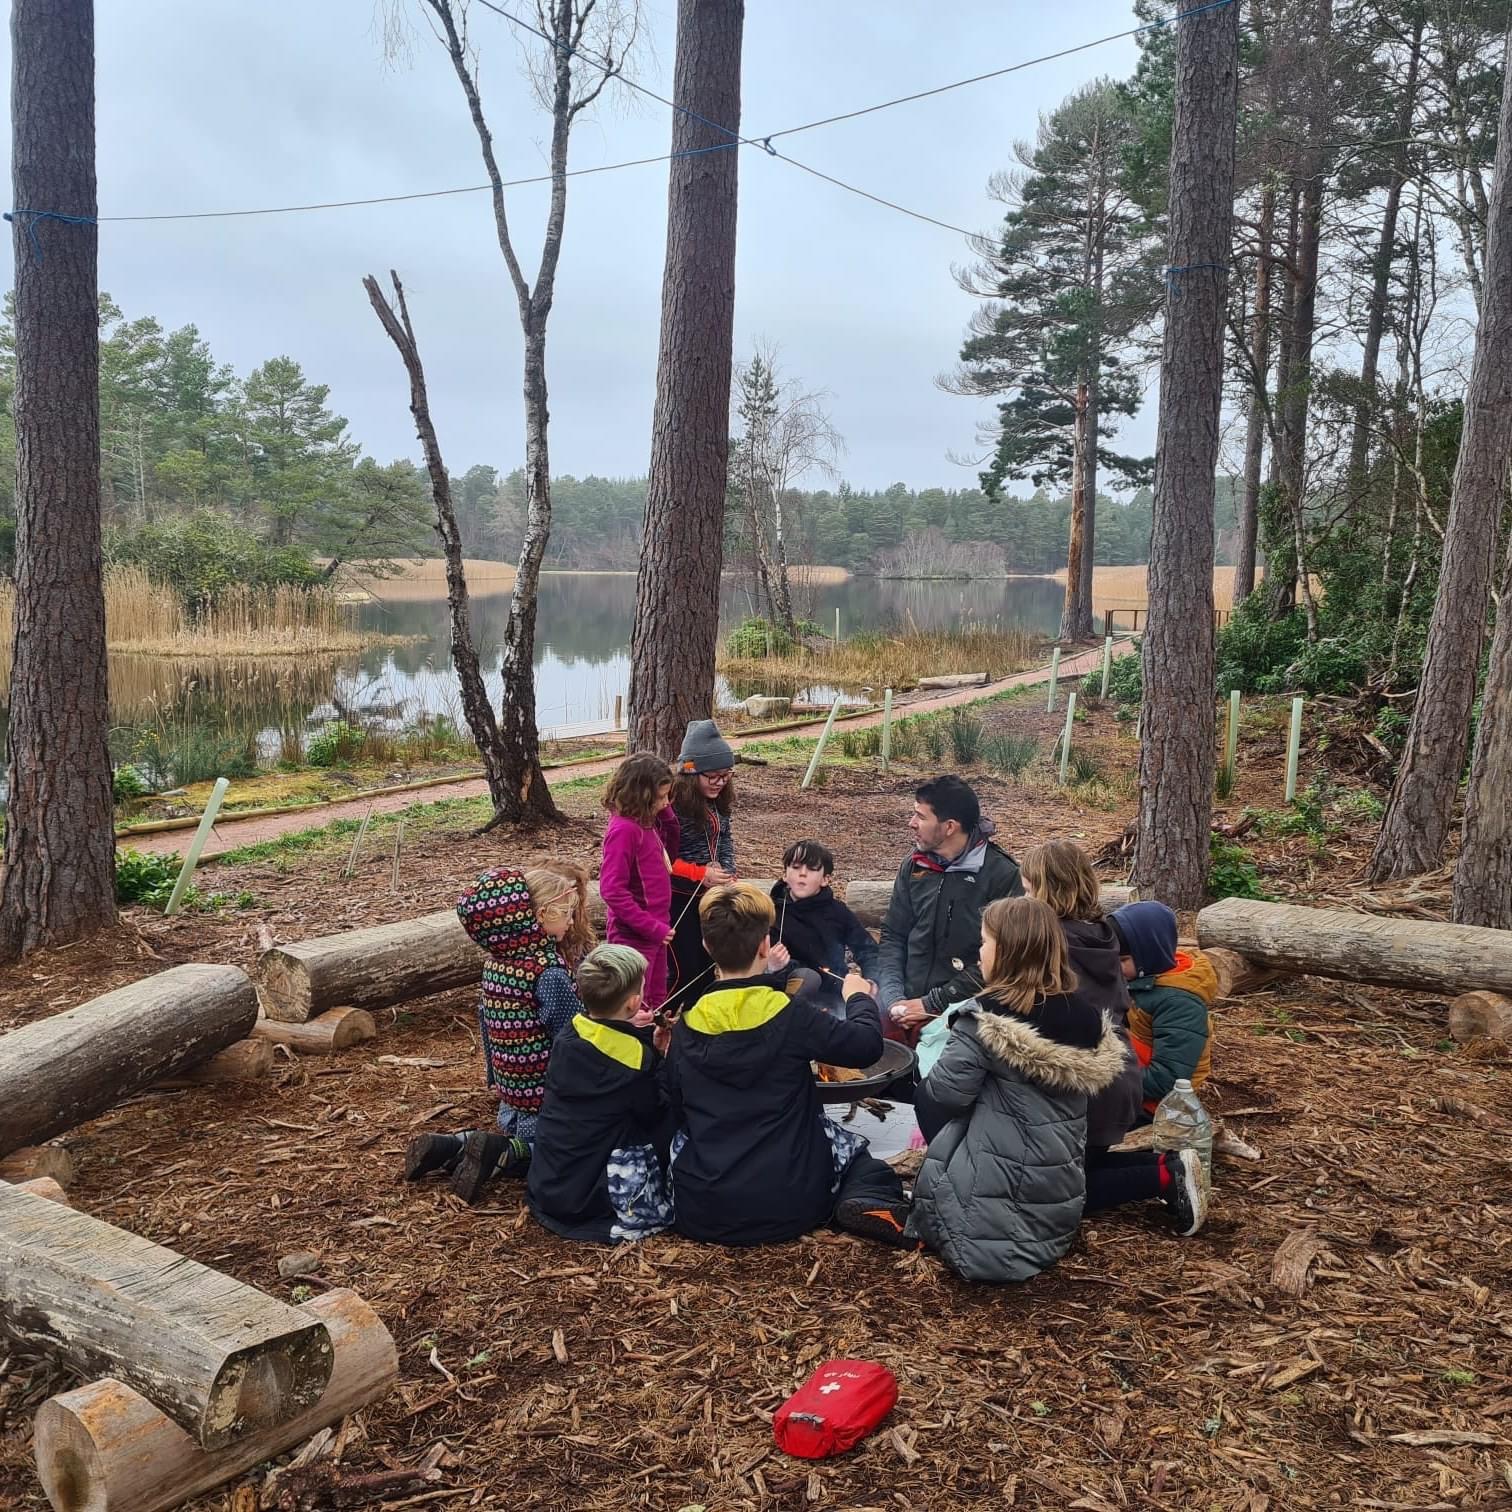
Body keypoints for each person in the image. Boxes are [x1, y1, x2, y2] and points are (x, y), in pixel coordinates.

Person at [664, 882, 914, 1248]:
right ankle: (867, 1196)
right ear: (765, 945)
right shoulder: (788, 1013)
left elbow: (672, 1101)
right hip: (792, 1202)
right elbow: (865, 1046)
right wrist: (858, 996)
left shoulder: (687, 1025)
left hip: (704, 1208)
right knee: (853, 1150)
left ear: (706, 947)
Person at [910, 897, 1133, 1283]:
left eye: (984, 942)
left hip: (983, 1233)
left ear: (1008, 951)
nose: (979, 951)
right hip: (1056, 1211)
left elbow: (946, 1094)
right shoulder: (1083, 1015)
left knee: (924, 1092)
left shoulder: (985, 1019)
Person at [403, 864, 591, 1203]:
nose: (570, 922)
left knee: (524, 1133)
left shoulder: (495, 965)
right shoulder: (547, 972)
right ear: (542, 916)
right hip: (549, 1097)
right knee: (573, 1153)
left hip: (512, 1093)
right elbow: (572, 1037)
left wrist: (496, 1076)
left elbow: (488, 1022)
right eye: (567, 913)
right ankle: (504, 1154)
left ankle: (456, 1145)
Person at [526, 944, 676, 1244]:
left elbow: (606, 1051)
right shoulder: (635, 1058)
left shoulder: (570, 1034)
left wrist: (637, 1036)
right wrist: (659, 1057)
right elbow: (653, 1110)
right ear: (634, 1003)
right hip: (591, 1196)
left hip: (550, 1182)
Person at [877, 775, 1023, 1048]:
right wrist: (894, 998)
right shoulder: (914, 865)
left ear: (949, 827)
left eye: (920, 816)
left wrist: (932, 1003)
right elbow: (893, 935)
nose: (911, 823)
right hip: (902, 1007)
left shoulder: (1001, 875)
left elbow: (1001, 962)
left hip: (962, 1016)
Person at [1019, 839, 1144, 1149]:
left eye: (1027, 891)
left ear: (1047, 893)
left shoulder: (1052, 946)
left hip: (1081, 1091)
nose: (1023, 899)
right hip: (1121, 1079)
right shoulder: (1100, 933)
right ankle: (1158, 1172)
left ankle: (1160, 1175)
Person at [659, 720, 737, 1013]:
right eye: (713, 776)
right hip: (677, 899)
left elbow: (725, 837)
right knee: (684, 970)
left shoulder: (717, 801)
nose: (720, 782)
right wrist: (700, 873)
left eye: (726, 776)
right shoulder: (671, 806)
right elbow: (661, 859)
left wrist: (728, 872)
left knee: (707, 965)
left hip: (709, 897)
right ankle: (668, 1023)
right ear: (691, 773)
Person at [1111, 901, 1217, 1111]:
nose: (1114, 966)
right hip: (1128, 1079)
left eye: (1122, 959)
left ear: (1148, 954)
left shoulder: (1180, 1003)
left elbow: (1168, 1079)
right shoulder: (1142, 981)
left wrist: (1101, 1080)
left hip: (1157, 1106)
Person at [600, 753, 676, 1013]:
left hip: (657, 929)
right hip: (635, 934)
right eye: (661, 797)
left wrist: (666, 814)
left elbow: (672, 845)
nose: (666, 803)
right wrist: (650, 927)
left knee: (656, 998)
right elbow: (611, 888)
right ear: (642, 795)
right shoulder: (624, 830)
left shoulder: (645, 822)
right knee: (635, 1004)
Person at [768, 839, 879, 1015]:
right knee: (806, 977)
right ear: (785, 875)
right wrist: (771, 965)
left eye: (811, 869)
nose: (802, 874)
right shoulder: (771, 912)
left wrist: (872, 981)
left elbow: (868, 950)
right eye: (796, 867)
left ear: (825, 879)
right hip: (784, 998)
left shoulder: (837, 912)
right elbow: (752, 962)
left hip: (834, 998)